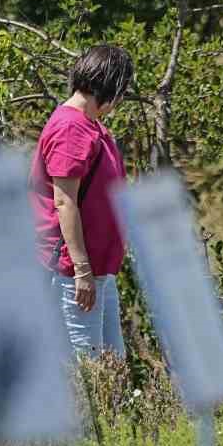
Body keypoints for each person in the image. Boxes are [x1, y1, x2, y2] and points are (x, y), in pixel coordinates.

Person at [31, 44, 135, 359]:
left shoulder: (91, 126)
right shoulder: (70, 128)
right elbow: (65, 202)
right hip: (74, 273)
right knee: (89, 369)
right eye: (122, 91)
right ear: (111, 87)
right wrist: (82, 270)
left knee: (112, 367)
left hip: (97, 270)